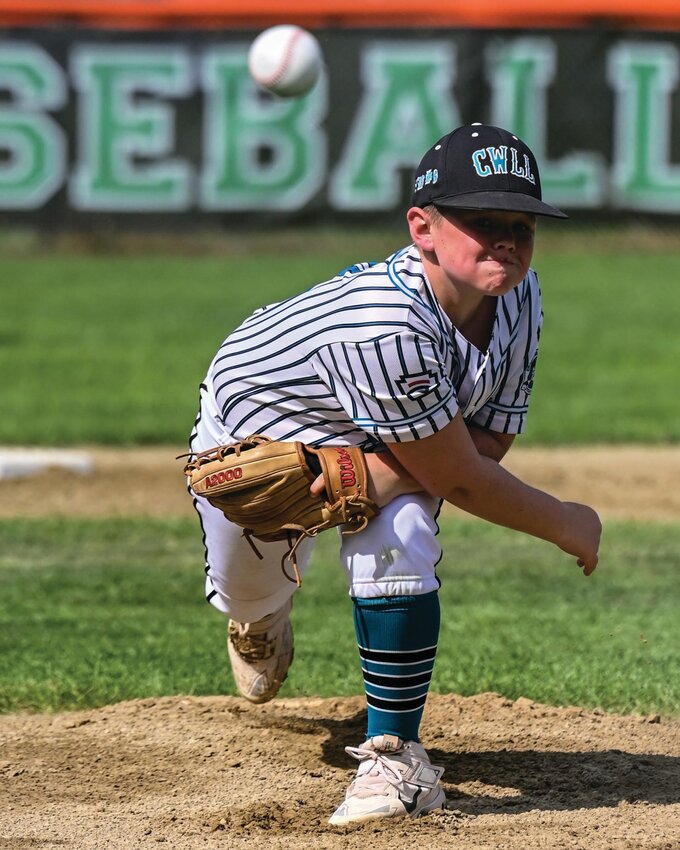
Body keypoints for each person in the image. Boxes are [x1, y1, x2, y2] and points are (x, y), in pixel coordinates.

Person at [187, 123, 602, 825]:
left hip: (399, 425)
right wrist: (567, 521)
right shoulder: (387, 320)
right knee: (249, 592)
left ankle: (395, 759)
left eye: (521, 224)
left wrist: (373, 477)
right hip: (259, 426)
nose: (506, 239)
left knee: (402, 530)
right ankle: (259, 620)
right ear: (423, 228)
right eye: (482, 221)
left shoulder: (520, 298)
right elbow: (463, 478)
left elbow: (485, 444)